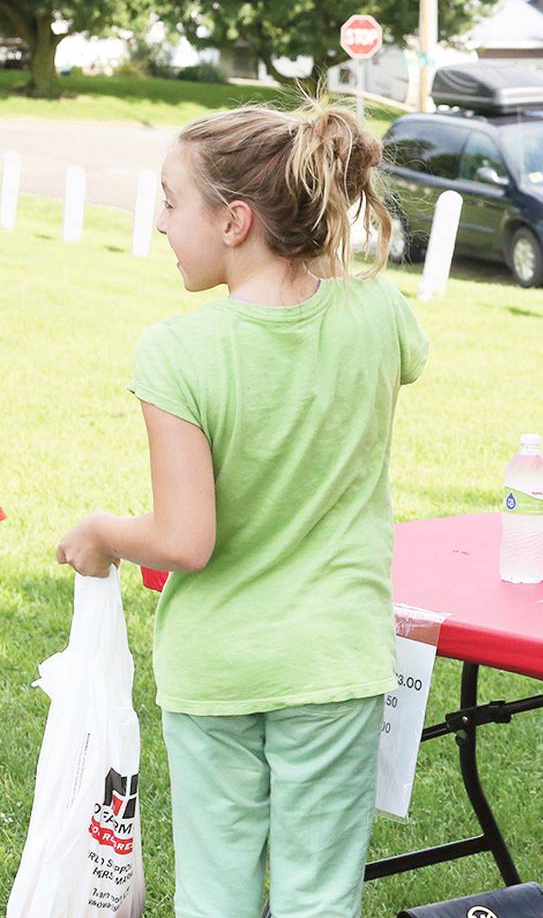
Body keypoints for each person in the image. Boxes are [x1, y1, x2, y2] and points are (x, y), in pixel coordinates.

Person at [56, 102, 429, 917]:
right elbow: (366, 328)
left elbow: (185, 540)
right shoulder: (380, 316)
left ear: (234, 220)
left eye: (169, 200)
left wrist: (98, 533)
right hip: (336, 661)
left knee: (217, 894)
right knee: (319, 896)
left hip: (218, 667)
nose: (158, 223)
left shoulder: (176, 352)